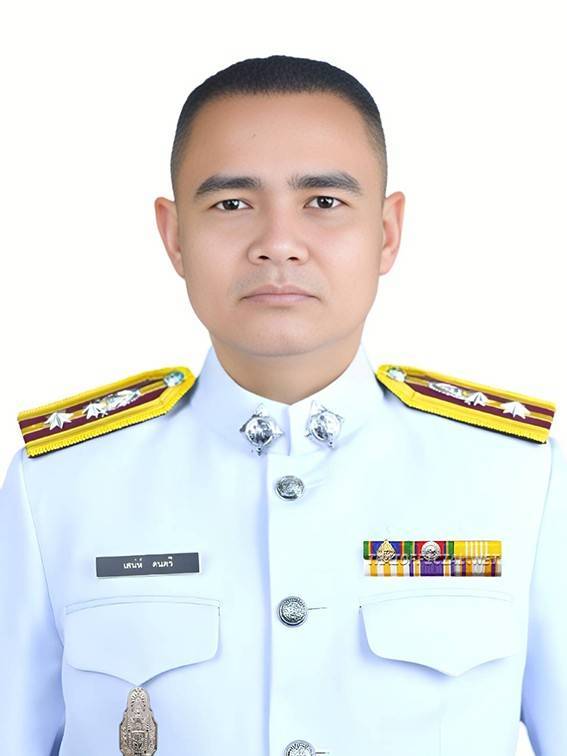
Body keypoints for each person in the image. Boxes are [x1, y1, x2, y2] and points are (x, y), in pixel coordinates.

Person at [0, 53, 565, 756]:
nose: (277, 245)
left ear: (386, 232)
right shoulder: (59, 486)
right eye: (231, 204)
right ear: (174, 236)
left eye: (323, 202)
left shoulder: (517, 479)